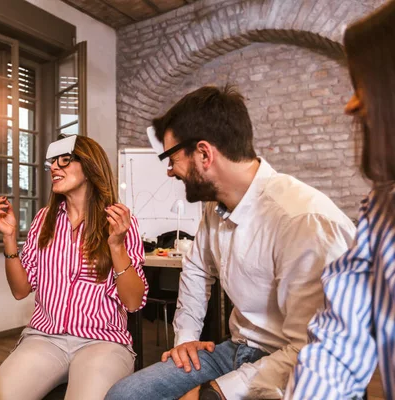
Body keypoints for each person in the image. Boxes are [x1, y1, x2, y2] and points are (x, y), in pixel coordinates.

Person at [105, 85, 356, 400]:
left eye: (171, 159)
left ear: (204, 153)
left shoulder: (304, 220)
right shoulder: (215, 207)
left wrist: (214, 393)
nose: (169, 172)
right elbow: (196, 270)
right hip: (235, 350)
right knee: (125, 395)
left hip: (291, 367)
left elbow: (315, 352)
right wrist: (185, 338)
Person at [287, 2, 395, 398]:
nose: (351, 105)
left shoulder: (302, 211)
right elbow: (339, 342)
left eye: (363, 84)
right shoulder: (380, 210)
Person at [0, 135, 149, 400]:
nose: (54, 167)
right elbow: (20, 290)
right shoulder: (43, 220)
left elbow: (132, 302)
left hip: (103, 342)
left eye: (65, 160)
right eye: (53, 162)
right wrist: (9, 237)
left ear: (90, 167)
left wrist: (117, 246)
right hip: (44, 337)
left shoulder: (120, 222)